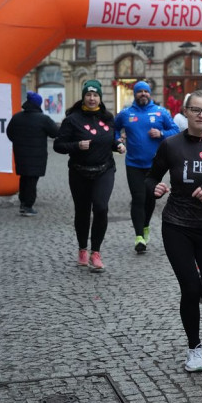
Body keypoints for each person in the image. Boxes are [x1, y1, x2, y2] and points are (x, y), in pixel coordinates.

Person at [147, 90, 202, 372]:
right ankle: (194, 348)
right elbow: (151, 176)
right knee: (189, 288)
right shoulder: (170, 145)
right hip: (176, 224)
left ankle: (197, 285)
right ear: (185, 112)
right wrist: (155, 188)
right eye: (196, 110)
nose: (201, 115)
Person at [53, 80, 126, 272]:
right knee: (82, 211)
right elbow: (58, 145)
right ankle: (82, 249)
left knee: (101, 208)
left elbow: (109, 139)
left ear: (100, 98)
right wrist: (76, 146)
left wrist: (117, 144)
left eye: (95, 95)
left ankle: (96, 252)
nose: (92, 98)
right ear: (83, 97)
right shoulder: (73, 119)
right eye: (88, 95)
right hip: (79, 171)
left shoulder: (108, 117)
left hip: (104, 169)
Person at [114, 81, 179, 254]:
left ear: (150, 94)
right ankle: (139, 237)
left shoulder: (161, 112)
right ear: (135, 94)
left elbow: (175, 130)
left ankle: (145, 226)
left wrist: (161, 134)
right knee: (138, 197)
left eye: (146, 91)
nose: (143, 94)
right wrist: (117, 141)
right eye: (139, 91)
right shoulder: (126, 113)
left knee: (150, 199)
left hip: (155, 165)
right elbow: (113, 129)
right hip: (133, 163)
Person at [6, 91, 59, 216]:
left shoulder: (17, 117)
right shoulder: (43, 119)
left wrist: (18, 143)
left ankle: (23, 203)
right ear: (38, 104)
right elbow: (55, 132)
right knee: (32, 179)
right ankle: (28, 206)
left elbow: (9, 133)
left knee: (24, 177)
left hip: (20, 154)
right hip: (37, 155)